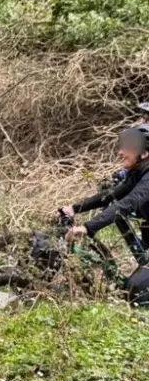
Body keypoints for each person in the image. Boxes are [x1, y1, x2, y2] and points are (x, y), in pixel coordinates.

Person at [62, 125, 149, 305]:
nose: (121, 151)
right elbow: (111, 195)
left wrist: (87, 227)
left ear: (145, 153)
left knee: (136, 294)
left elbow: (127, 203)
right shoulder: (140, 173)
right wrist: (74, 208)